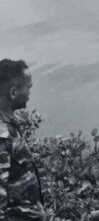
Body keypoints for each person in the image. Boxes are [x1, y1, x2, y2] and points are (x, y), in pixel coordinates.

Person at [0, 59, 45, 220]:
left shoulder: (9, 124)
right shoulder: (2, 135)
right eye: (29, 87)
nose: (30, 93)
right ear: (13, 92)